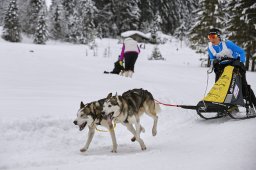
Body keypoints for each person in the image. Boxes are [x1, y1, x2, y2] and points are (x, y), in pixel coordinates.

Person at [207, 28, 256, 114]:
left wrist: (241, 62)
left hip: (236, 64)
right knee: (220, 86)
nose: (212, 39)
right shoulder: (210, 48)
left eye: (213, 36)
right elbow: (212, 59)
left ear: (218, 36)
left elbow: (241, 52)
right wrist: (213, 65)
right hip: (222, 67)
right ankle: (227, 106)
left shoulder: (227, 43)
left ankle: (253, 104)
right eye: (209, 37)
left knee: (242, 86)